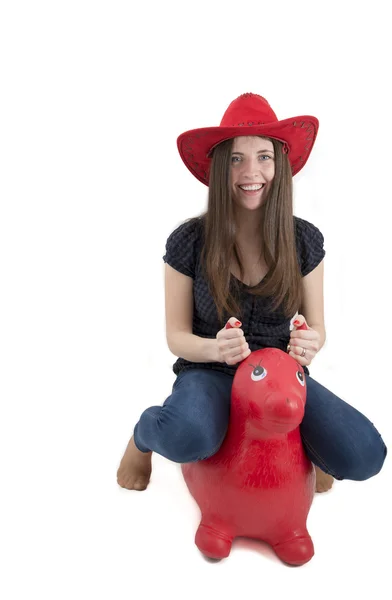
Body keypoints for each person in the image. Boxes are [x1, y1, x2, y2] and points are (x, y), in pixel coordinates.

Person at [116, 92, 387, 493]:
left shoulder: (304, 240)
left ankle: (305, 446)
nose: (251, 171)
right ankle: (142, 437)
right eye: (237, 159)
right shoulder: (188, 241)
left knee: (365, 456)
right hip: (210, 372)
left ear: (279, 164)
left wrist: (311, 343)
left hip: (280, 378)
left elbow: (318, 328)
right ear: (221, 167)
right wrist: (215, 349)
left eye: (263, 156)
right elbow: (176, 337)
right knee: (185, 437)